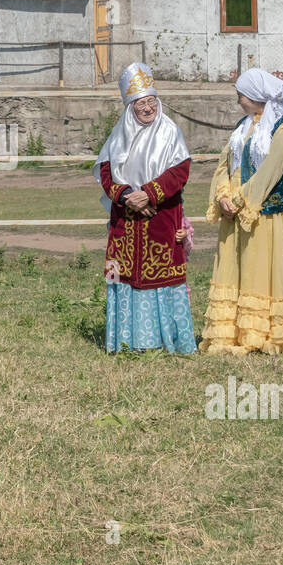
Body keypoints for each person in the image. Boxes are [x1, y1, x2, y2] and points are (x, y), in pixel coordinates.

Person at [200, 69, 283, 356]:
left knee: (260, 270)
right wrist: (222, 195)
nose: (238, 101)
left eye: (241, 96)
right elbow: (225, 163)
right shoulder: (242, 126)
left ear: (257, 97)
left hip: (262, 213)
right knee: (234, 269)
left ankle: (262, 332)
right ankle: (234, 331)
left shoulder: (282, 129)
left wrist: (239, 200)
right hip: (233, 211)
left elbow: (269, 172)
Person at [95, 62, 197, 354]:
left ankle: (163, 341)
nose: (148, 107)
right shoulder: (118, 136)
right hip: (124, 223)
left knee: (162, 279)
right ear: (131, 106)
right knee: (122, 277)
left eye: (152, 101)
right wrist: (126, 195)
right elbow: (105, 172)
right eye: (142, 102)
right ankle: (127, 341)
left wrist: (149, 194)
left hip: (160, 219)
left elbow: (180, 171)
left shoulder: (170, 132)